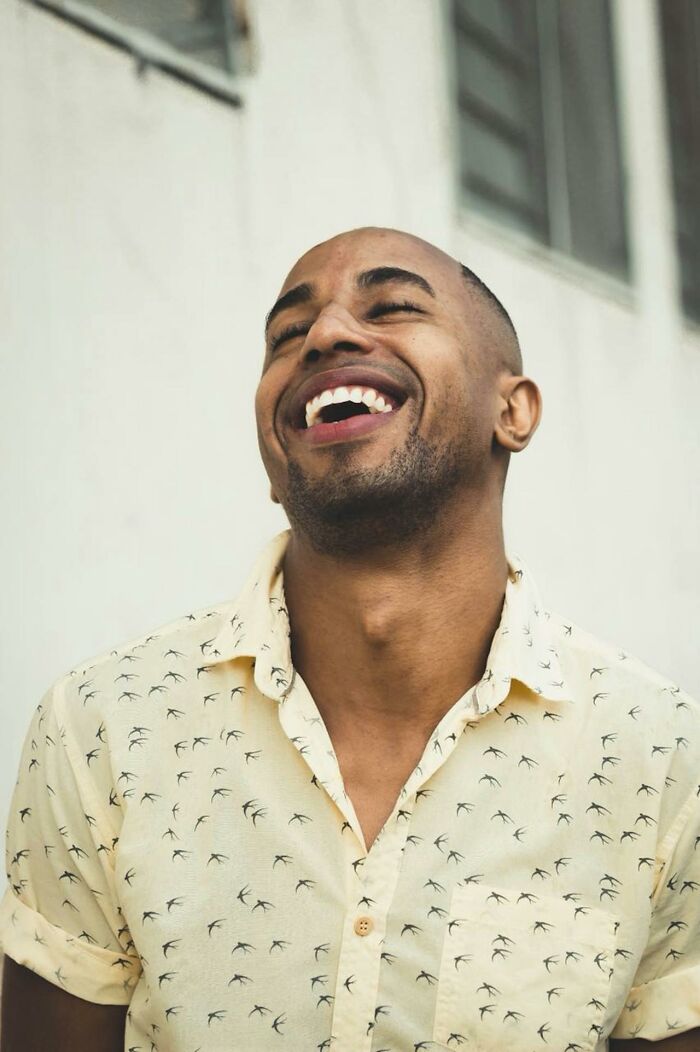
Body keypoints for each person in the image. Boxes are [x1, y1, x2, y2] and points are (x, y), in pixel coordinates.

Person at [1, 227, 699, 1052]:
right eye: (287, 336)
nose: (326, 336)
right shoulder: (103, 730)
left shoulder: (660, 759)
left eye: (394, 306)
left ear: (511, 411)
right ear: (272, 453)